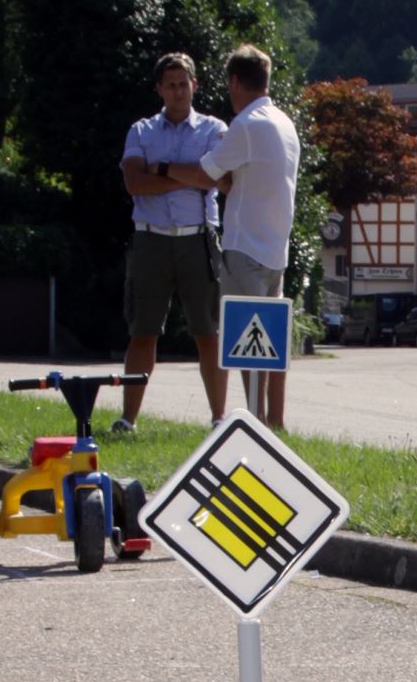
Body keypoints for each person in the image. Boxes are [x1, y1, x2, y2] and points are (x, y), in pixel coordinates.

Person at [167, 44, 301, 430]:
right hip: (277, 248)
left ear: (236, 82)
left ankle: (254, 423)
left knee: (246, 344)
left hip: (245, 246)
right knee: (273, 344)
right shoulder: (284, 123)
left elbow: (207, 174)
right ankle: (275, 421)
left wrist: (164, 170)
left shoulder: (247, 124)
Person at [114, 51, 228, 433]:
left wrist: (160, 169)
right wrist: (191, 175)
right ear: (160, 89)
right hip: (151, 240)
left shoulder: (213, 129)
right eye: (171, 84)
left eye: (185, 83)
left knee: (208, 332)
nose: (179, 91)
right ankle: (128, 420)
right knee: (142, 332)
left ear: (195, 86)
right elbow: (134, 183)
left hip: (198, 239)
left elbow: (215, 179)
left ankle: (218, 418)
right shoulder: (141, 131)